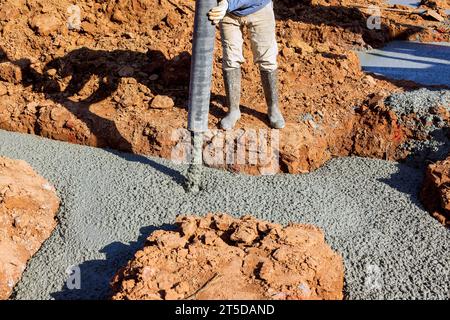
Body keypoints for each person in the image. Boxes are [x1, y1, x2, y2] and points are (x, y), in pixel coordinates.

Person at [208, 0, 285, 130]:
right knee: (231, 59)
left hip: (258, 8)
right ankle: (233, 110)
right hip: (229, 13)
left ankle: (273, 108)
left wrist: (227, 3)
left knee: (267, 59)